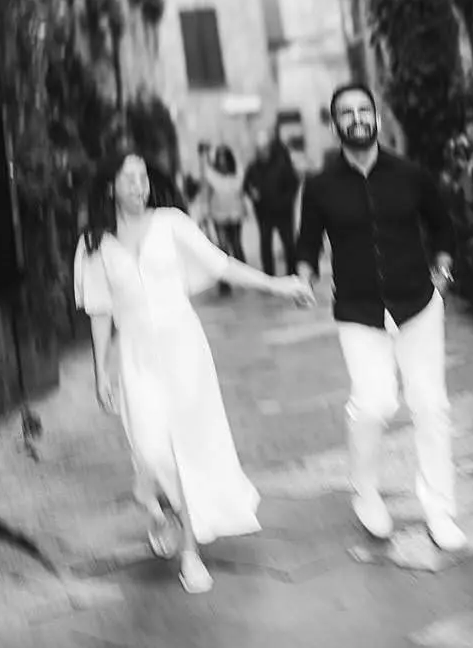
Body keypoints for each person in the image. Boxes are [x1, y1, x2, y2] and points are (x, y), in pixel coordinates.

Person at [75, 148, 315, 594]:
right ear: (110, 186)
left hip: (185, 349)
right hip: (136, 357)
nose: (139, 185)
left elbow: (220, 264)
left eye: (143, 175)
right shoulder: (95, 244)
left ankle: (191, 552)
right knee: (150, 449)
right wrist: (100, 372)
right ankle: (150, 499)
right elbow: (99, 312)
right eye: (128, 177)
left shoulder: (171, 223)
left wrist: (276, 285)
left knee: (186, 448)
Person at [295, 83, 465, 552]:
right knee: (374, 405)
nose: (356, 118)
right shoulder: (322, 185)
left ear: (376, 117)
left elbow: (442, 225)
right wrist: (304, 276)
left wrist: (444, 267)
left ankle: (440, 510)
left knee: (430, 406)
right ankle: (365, 491)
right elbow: (307, 242)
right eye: (345, 113)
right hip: (358, 311)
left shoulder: (411, 175)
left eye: (363, 110)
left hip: (418, 305)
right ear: (335, 126)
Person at [244, 125, 300, 276]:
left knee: (289, 244)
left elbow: (293, 184)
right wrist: (252, 193)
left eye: (264, 149)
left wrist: (286, 201)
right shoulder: (253, 167)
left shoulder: (282, 165)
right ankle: (269, 274)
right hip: (264, 213)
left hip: (283, 212)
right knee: (265, 245)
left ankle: (292, 274)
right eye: (259, 149)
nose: (262, 152)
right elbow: (247, 185)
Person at [205, 145, 248, 264]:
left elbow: (241, 192)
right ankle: (227, 277)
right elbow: (206, 195)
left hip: (235, 215)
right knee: (223, 248)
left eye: (224, 157)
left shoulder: (237, 173)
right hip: (219, 216)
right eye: (219, 157)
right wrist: (205, 212)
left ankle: (243, 274)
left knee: (236, 246)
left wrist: (244, 209)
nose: (222, 161)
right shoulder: (212, 175)